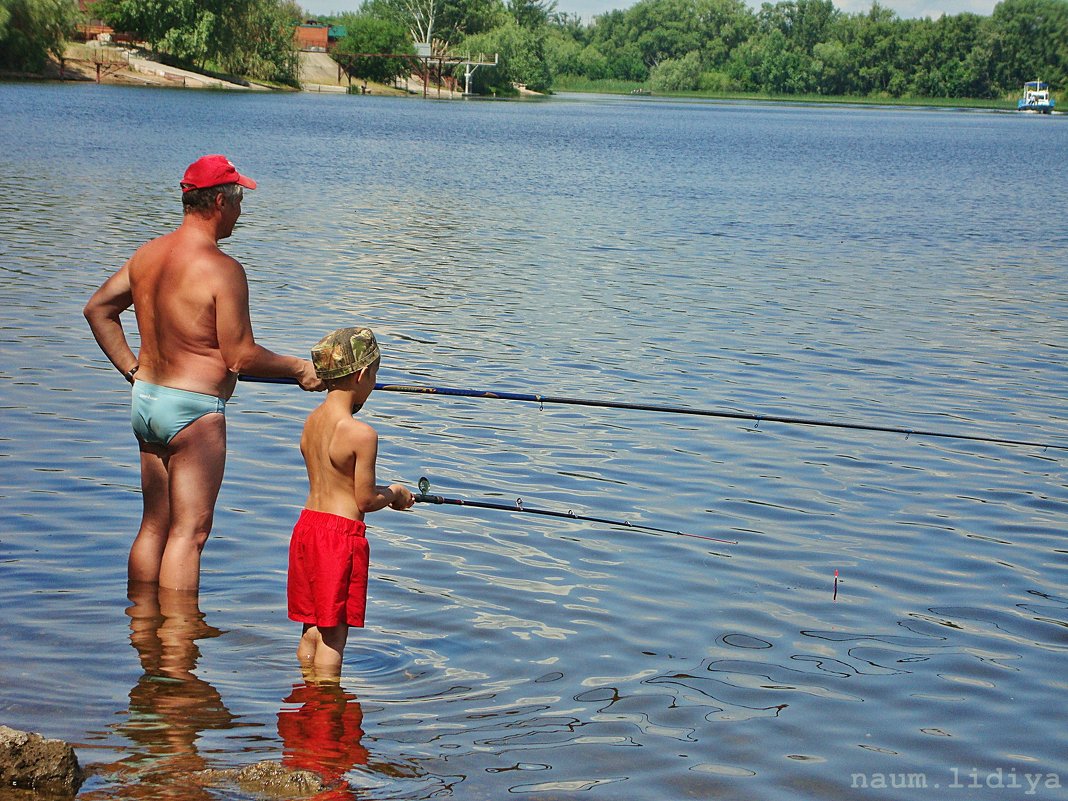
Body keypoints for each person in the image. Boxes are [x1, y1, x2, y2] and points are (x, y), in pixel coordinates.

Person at [84, 154, 323, 592]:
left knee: (154, 526)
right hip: (193, 412)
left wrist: (133, 370)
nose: (240, 211)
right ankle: (178, 650)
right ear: (218, 201)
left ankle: (144, 632)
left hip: (147, 400)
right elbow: (240, 357)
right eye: (237, 201)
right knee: (188, 535)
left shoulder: (147, 255)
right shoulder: (223, 269)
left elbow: (98, 309)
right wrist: (299, 369)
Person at [288, 326, 415, 674]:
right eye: (374, 375)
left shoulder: (311, 423)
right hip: (338, 537)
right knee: (335, 634)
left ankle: (306, 693)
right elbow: (364, 499)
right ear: (361, 374)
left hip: (307, 529)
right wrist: (395, 494)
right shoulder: (361, 433)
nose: (374, 384)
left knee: (311, 625)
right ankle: (327, 704)